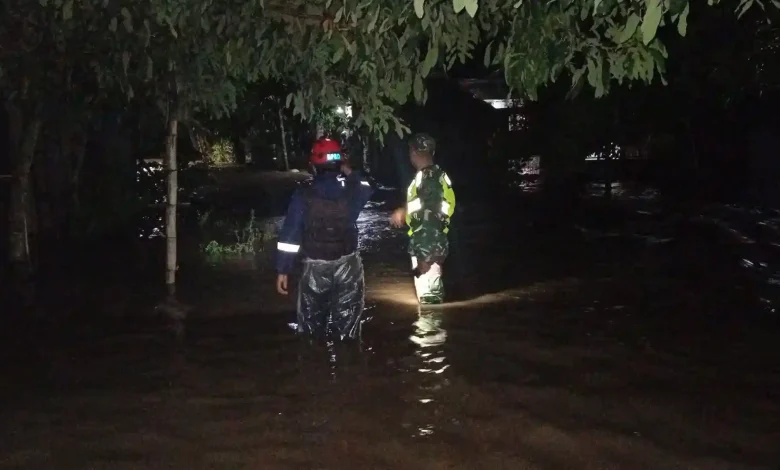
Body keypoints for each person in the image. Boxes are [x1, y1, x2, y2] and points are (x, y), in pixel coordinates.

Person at [275, 137, 374, 341]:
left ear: (314, 164)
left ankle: (313, 358)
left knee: (310, 329)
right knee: (348, 330)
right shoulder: (353, 189)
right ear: (340, 162)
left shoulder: (303, 193)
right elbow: (368, 186)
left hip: (315, 267)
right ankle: (351, 357)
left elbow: (291, 233)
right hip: (348, 265)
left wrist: (283, 269)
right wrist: (347, 168)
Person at [390, 133, 456, 305]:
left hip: (428, 247)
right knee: (430, 303)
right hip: (431, 244)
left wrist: (425, 256)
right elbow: (427, 207)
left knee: (430, 307)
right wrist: (404, 211)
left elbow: (430, 218)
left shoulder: (428, 179)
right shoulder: (433, 176)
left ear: (413, 152)